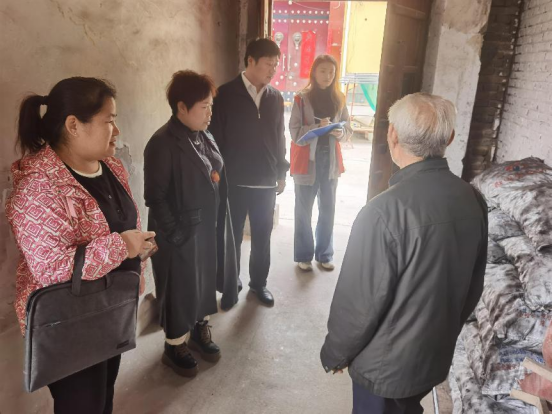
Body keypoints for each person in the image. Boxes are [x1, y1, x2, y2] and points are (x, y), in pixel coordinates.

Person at [320, 93, 488, 414]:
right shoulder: (472, 199)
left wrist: (335, 354)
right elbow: (473, 287)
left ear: (392, 134)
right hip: (433, 357)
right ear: (450, 138)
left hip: (384, 369)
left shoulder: (382, 212)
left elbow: (358, 305)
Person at [5, 77, 154, 414]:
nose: (116, 131)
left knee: (104, 398)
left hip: (111, 309)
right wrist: (122, 247)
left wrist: (138, 254)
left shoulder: (112, 167)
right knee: (82, 405)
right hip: (70, 324)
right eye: (109, 121)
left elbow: (126, 226)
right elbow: (52, 269)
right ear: (73, 125)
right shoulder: (39, 186)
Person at [144, 70, 238, 378]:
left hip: (206, 228)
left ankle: (199, 328)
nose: (210, 113)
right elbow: (155, 197)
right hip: (180, 233)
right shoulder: (162, 143)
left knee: (203, 280)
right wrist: (176, 234)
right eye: (204, 107)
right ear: (181, 108)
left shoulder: (203, 135)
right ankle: (174, 345)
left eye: (211, 106)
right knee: (178, 288)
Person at [209, 38, 290, 307]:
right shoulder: (224, 95)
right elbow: (215, 138)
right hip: (233, 181)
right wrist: (217, 174)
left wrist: (281, 171)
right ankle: (230, 285)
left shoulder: (275, 98)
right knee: (230, 238)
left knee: (262, 237)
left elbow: (279, 137)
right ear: (250, 61)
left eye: (275, 65)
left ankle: (259, 284)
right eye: (268, 64)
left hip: (266, 182)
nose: (272, 70)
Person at [289, 54, 352, 272]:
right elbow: (294, 132)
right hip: (307, 162)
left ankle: (325, 254)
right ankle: (304, 256)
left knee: (328, 209)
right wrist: (316, 128)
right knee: (303, 211)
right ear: (314, 72)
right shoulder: (301, 99)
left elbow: (348, 128)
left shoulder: (339, 98)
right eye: (323, 71)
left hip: (330, 161)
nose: (327, 76)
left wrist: (341, 132)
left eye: (331, 72)